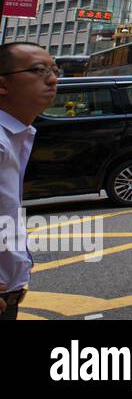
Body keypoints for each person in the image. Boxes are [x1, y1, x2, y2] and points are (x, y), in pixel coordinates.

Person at [0, 43, 59, 321]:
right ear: (3, 84)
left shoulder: (16, 135)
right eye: (38, 71)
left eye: (54, 70)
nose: (52, 78)